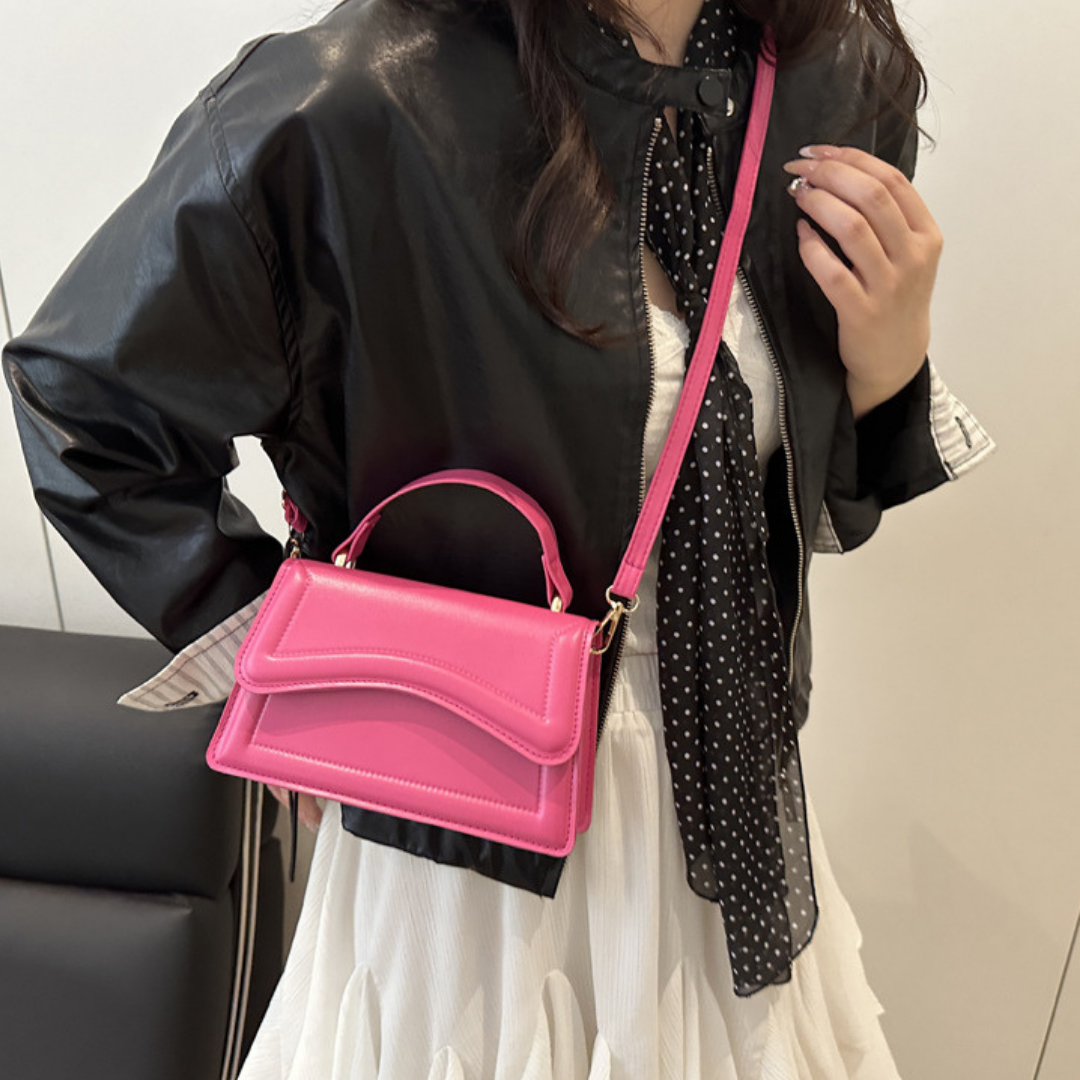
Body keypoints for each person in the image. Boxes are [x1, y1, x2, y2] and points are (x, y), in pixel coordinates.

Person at [3, 0, 995, 1076]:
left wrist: (890, 363)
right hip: (463, 829)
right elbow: (86, 402)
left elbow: (797, 504)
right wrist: (282, 665)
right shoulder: (359, 96)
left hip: (736, 802)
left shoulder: (828, 72)